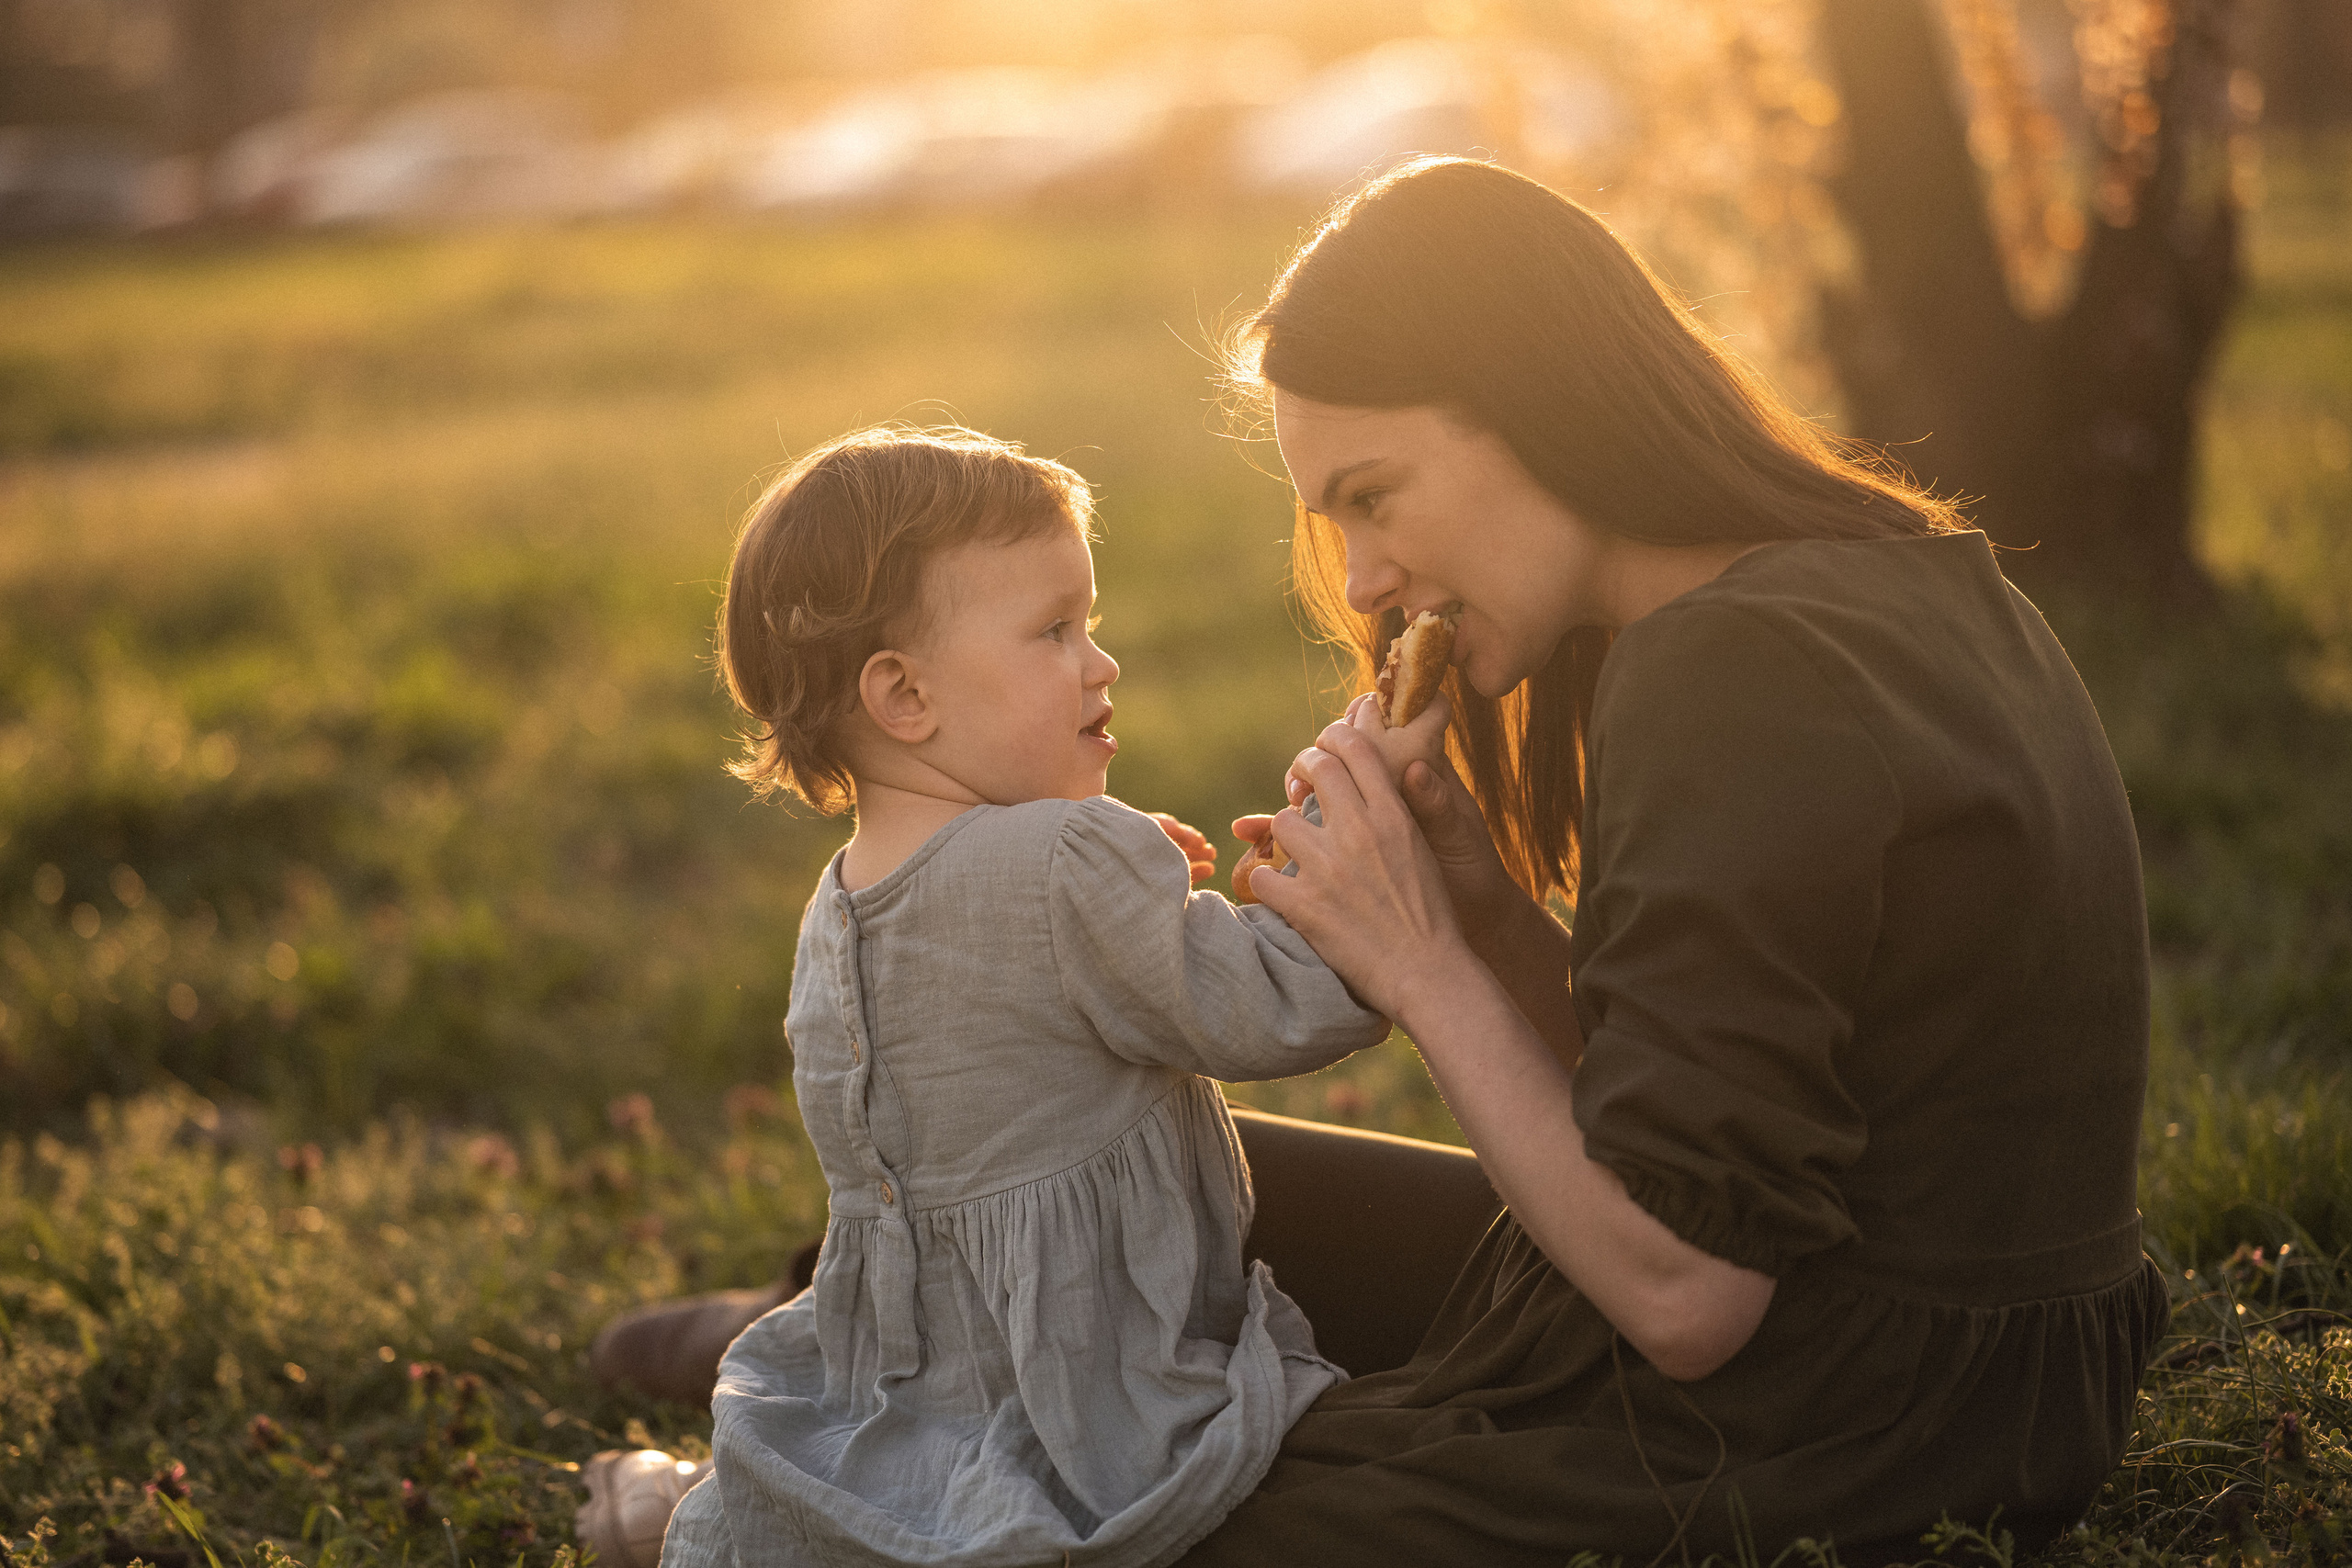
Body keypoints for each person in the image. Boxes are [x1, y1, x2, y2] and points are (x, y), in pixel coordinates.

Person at [1162, 155, 2171, 1564]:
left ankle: (823, 1381)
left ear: (1535, 403)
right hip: (1997, 1371)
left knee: (1137, 1521)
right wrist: (1494, 922)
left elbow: (1694, 1291)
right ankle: (796, 1326)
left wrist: (1419, 962)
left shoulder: (1732, 668)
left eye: (1375, 496)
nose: (1362, 581)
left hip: (1853, 1411)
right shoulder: (1883, 571)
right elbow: (1727, 1114)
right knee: (1145, 1171)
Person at [649, 425, 1408, 1568]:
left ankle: (644, 1506)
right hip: (1089, 1391)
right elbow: (1279, 1005)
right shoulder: (1061, 864)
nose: (1100, 662)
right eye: (1054, 631)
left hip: (920, 1390)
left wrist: (1101, 880)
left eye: (1086, 623)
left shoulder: (842, 903)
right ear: (903, 695)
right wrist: (1359, 864)